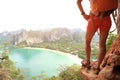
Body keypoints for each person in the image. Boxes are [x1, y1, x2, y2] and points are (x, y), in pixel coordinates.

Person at [77, 0, 112, 74]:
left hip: (94, 19)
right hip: (107, 18)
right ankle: (98, 67)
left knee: (87, 42)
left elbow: (78, 2)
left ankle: (87, 61)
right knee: (102, 44)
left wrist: (83, 14)